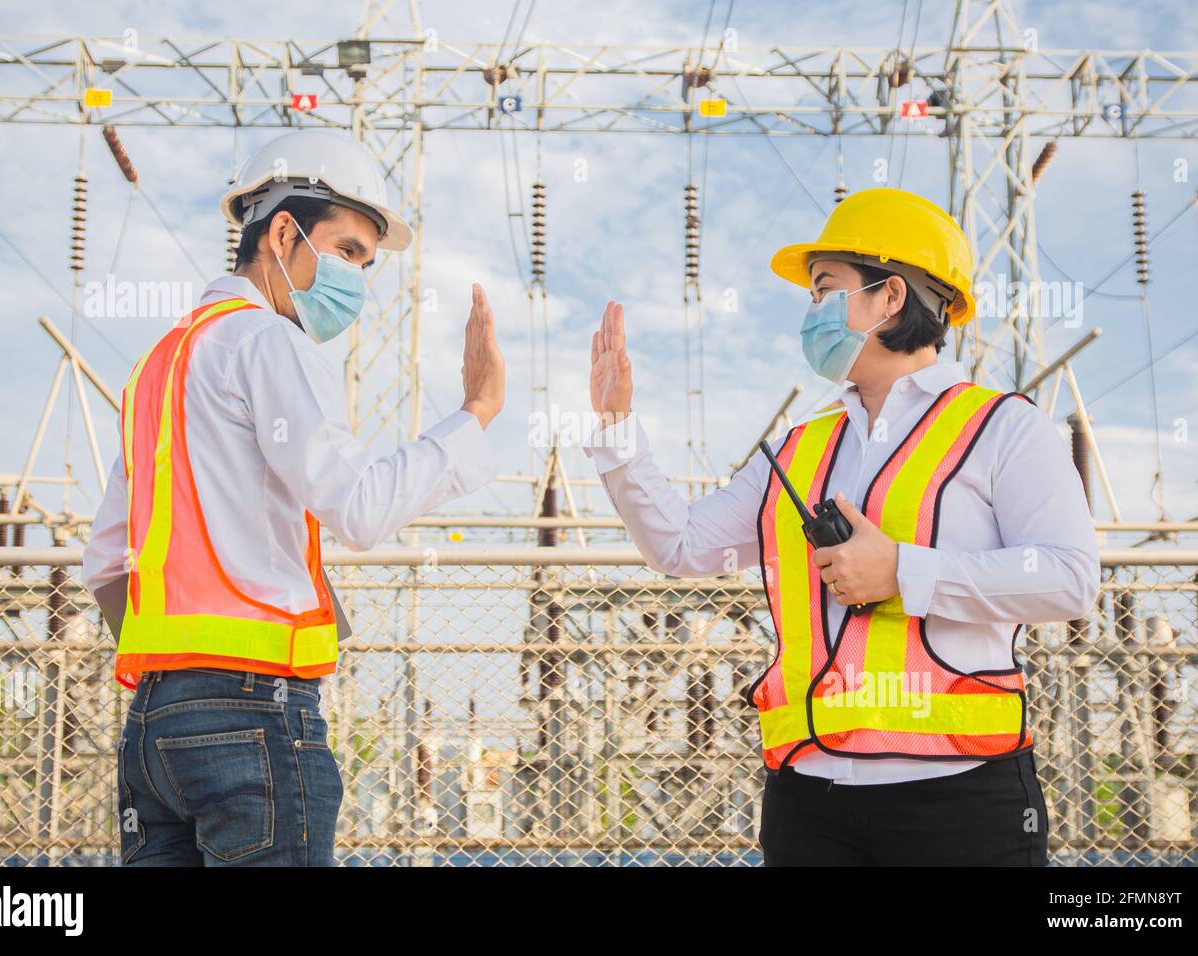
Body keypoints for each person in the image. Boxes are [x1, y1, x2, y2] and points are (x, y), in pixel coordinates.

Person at [584, 187, 1099, 866]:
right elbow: (679, 547)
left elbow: (1068, 579)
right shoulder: (800, 445)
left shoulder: (1003, 426)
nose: (810, 312)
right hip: (808, 800)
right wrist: (617, 430)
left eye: (824, 289)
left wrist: (904, 571)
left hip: (961, 801)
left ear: (890, 298)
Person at [80, 129, 506, 866]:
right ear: (282, 233)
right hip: (254, 716)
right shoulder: (268, 344)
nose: (358, 279)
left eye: (366, 264)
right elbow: (361, 508)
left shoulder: (157, 366)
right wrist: (476, 414)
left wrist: (186, 660)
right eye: (347, 252)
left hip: (154, 724)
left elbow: (106, 566)